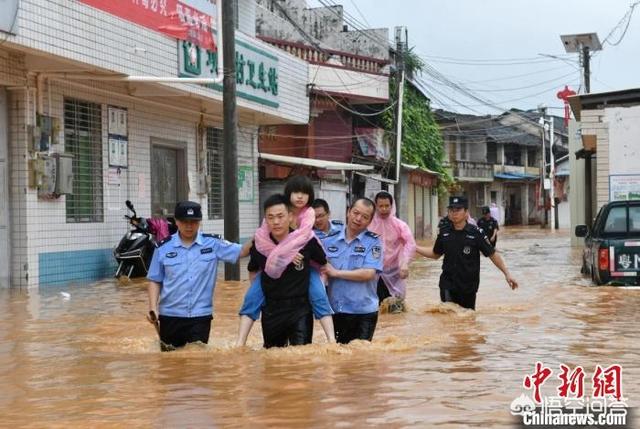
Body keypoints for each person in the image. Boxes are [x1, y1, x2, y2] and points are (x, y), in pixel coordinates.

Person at [235, 176, 335, 346]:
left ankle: (332, 340)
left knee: (319, 295)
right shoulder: (262, 239)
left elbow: (321, 258)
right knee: (252, 297)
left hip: (299, 305)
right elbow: (253, 265)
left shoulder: (307, 229)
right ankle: (240, 343)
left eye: (280, 217)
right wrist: (285, 255)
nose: (276, 221)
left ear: (289, 217)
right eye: (296, 192)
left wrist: (298, 252)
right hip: (273, 308)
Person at [146, 201, 251, 351]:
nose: (189, 226)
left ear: (200, 222)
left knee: (198, 365)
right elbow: (155, 280)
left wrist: (263, 234)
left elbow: (241, 251)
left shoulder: (213, 244)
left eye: (194, 222)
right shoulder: (163, 247)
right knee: (170, 365)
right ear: (176, 221)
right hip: (170, 316)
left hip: (200, 316)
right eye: (184, 222)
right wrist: (152, 307)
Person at [416, 196, 518, 311]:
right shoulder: (444, 232)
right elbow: (435, 254)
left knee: (466, 321)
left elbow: (492, 254)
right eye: (451, 210)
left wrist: (507, 274)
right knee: (448, 318)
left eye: (458, 210)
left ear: (466, 213)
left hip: (468, 287)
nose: (454, 213)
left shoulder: (476, 233)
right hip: (447, 284)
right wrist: (415, 247)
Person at [322, 198, 384, 344]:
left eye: (365, 217)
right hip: (336, 310)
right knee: (338, 358)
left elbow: (368, 273)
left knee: (360, 358)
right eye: (356, 213)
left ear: (370, 221)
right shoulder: (329, 240)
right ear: (348, 212)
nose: (358, 219)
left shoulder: (374, 242)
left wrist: (336, 273)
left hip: (363, 312)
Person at [369, 191, 416, 312]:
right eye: (380, 206)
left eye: (387, 206)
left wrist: (404, 263)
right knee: (378, 309)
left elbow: (410, 244)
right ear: (375, 206)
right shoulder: (369, 225)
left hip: (395, 273)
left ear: (392, 205)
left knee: (397, 309)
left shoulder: (400, 225)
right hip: (375, 273)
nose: (384, 209)